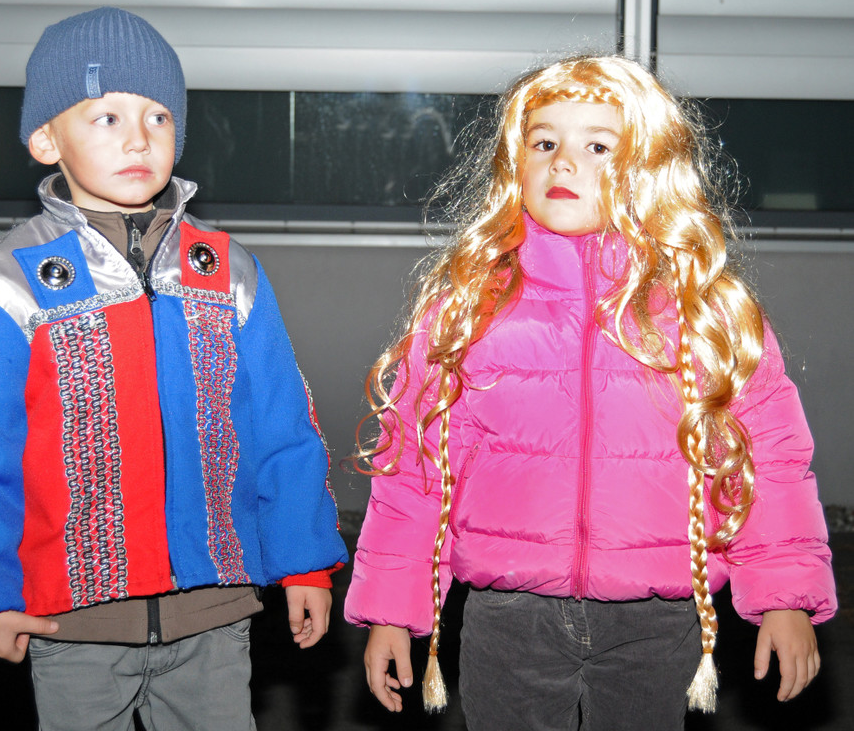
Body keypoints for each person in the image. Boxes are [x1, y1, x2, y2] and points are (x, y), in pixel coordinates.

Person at [343, 55, 837, 729]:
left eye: (597, 146)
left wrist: (785, 597)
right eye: (543, 142)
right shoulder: (468, 311)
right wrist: (392, 612)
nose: (564, 162)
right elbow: (412, 470)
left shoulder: (704, 314)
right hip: (508, 614)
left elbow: (769, 460)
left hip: (657, 617)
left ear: (649, 165)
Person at [0, 7, 347, 730]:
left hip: (214, 612)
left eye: (158, 117)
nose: (139, 138)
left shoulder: (225, 271)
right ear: (46, 140)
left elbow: (282, 426)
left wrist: (304, 559)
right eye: (107, 117)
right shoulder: (4, 285)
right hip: (73, 622)